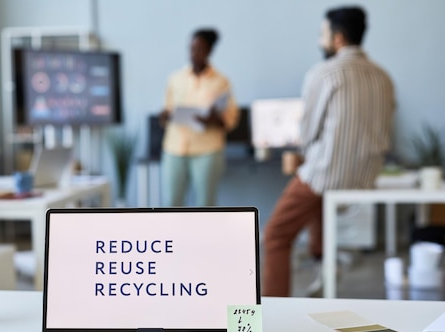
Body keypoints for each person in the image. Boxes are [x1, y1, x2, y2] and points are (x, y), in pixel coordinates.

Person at [262, 6, 395, 297]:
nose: (320, 41)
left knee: (274, 236)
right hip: (365, 179)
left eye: (322, 35)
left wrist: (304, 151)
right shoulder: (384, 77)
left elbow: (307, 134)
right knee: (317, 198)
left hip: (329, 176)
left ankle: (273, 308)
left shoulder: (325, 73)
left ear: (338, 38)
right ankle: (322, 258)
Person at [159, 28, 239, 207]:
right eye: (192, 48)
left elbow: (231, 119)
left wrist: (213, 119)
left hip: (207, 150)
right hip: (175, 148)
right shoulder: (175, 78)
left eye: (200, 48)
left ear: (210, 50)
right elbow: (167, 110)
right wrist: (164, 115)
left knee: (206, 204)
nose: (194, 53)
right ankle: (175, 235)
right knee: (172, 202)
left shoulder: (221, 82)